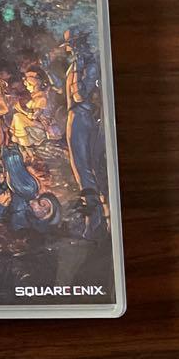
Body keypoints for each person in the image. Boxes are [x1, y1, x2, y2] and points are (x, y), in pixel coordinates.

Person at [60, 28, 108, 234]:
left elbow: (80, 96)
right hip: (77, 116)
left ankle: (96, 222)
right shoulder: (78, 64)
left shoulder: (88, 65)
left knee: (86, 169)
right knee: (83, 169)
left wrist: (78, 68)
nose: (69, 49)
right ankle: (95, 221)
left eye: (71, 45)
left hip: (83, 117)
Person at [10, 68, 63, 150]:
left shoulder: (41, 98)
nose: (27, 87)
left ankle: (27, 143)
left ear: (35, 85)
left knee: (18, 117)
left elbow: (35, 116)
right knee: (17, 116)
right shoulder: (35, 96)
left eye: (29, 85)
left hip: (46, 126)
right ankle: (25, 144)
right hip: (39, 123)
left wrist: (22, 111)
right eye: (26, 85)